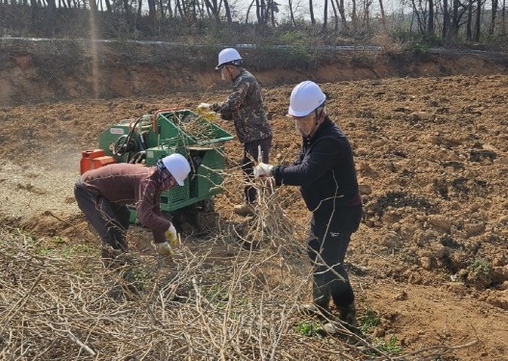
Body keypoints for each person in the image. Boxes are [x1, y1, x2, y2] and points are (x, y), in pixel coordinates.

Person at [253, 81, 363, 333]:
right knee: (315, 252)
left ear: (320, 113)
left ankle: (348, 320)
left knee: (332, 262)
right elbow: (300, 162)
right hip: (324, 209)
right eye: (297, 121)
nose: (300, 126)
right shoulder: (313, 135)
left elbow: (306, 172)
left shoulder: (331, 141)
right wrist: (274, 178)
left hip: (341, 211)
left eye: (304, 120)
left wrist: (274, 171)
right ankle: (320, 305)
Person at [73, 153, 191, 267]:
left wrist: (161, 242)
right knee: (109, 231)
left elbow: (155, 211)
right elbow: (145, 217)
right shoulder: (148, 181)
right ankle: (111, 269)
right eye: (172, 181)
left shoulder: (155, 181)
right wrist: (167, 226)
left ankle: (121, 258)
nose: (171, 185)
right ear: (166, 174)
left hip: (107, 194)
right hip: (88, 190)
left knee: (123, 216)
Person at [199, 47, 272, 216]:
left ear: (230, 68)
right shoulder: (241, 80)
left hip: (258, 136)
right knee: (248, 169)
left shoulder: (244, 80)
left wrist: (210, 107)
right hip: (251, 137)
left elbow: (232, 105)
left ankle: (265, 209)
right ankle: (251, 204)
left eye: (222, 69)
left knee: (259, 173)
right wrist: (217, 116)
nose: (222, 74)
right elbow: (238, 111)